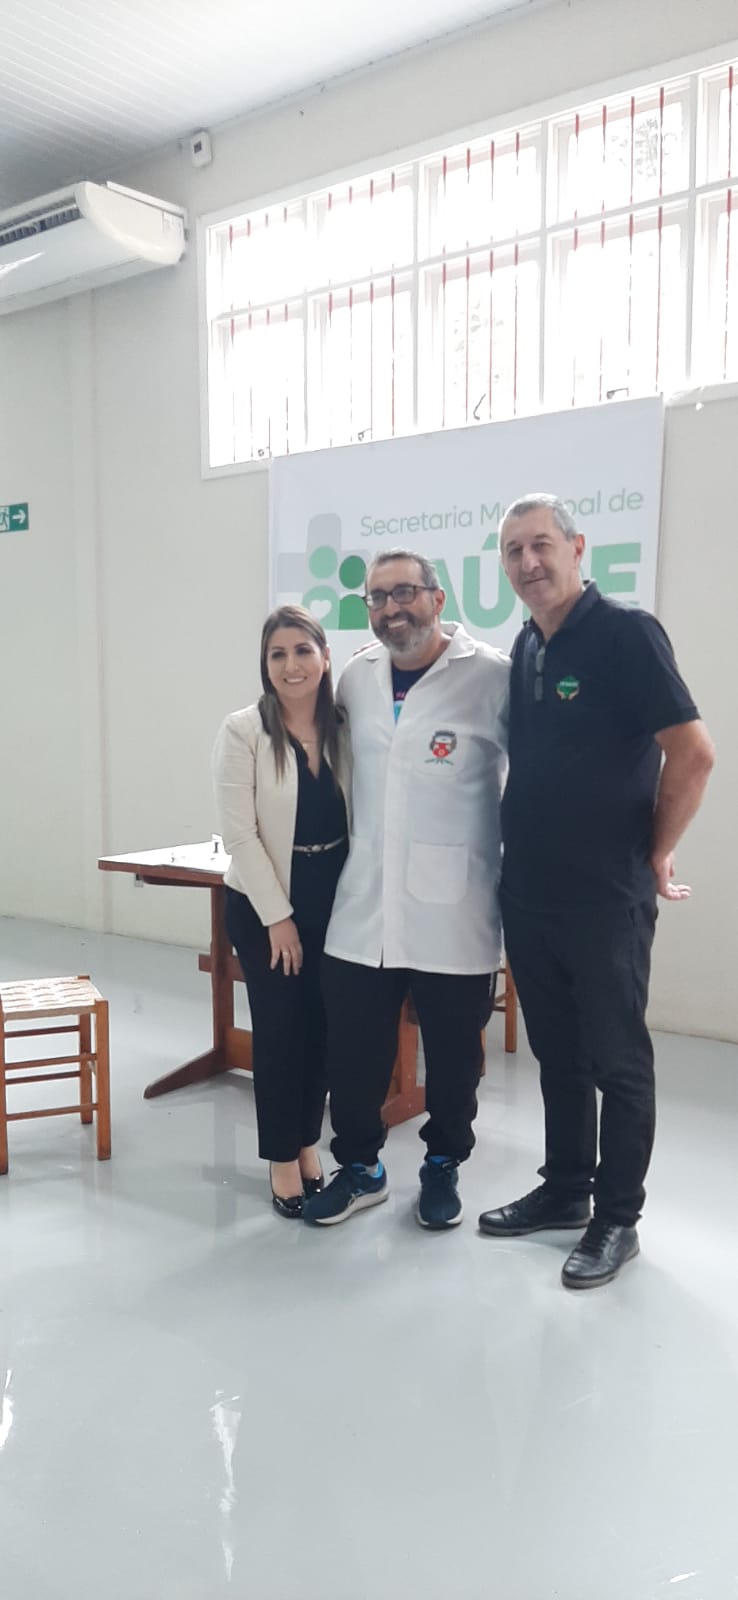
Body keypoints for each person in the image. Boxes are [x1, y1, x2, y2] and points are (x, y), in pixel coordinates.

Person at [479, 494, 714, 1288]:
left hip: (605, 897)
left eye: (541, 544)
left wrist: (657, 850)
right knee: (559, 1056)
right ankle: (565, 1190)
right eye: (513, 551)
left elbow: (694, 753)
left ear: (578, 549)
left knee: (618, 1062)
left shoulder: (625, 634)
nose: (528, 562)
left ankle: (617, 1218)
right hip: (529, 892)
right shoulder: (525, 645)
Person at [303, 549, 510, 1231]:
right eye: (378, 597)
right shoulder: (356, 678)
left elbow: (543, 772)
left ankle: (443, 1164)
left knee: (453, 1057)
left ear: (438, 598)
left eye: (405, 593)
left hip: (457, 910)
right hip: (364, 904)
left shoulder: (491, 676)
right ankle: (361, 1168)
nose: (392, 608)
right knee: (352, 1050)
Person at [213, 605, 350, 1218]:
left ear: (324, 657)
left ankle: (306, 1141)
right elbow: (240, 835)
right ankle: (280, 1158)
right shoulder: (244, 730)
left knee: (321, 1028)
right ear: (265, 665)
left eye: (302, 651)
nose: (291, 665)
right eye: (277, 654)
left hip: (334, 898)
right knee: (279, 1030)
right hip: (264, 902)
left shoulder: (343, 726)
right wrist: (278, 917)